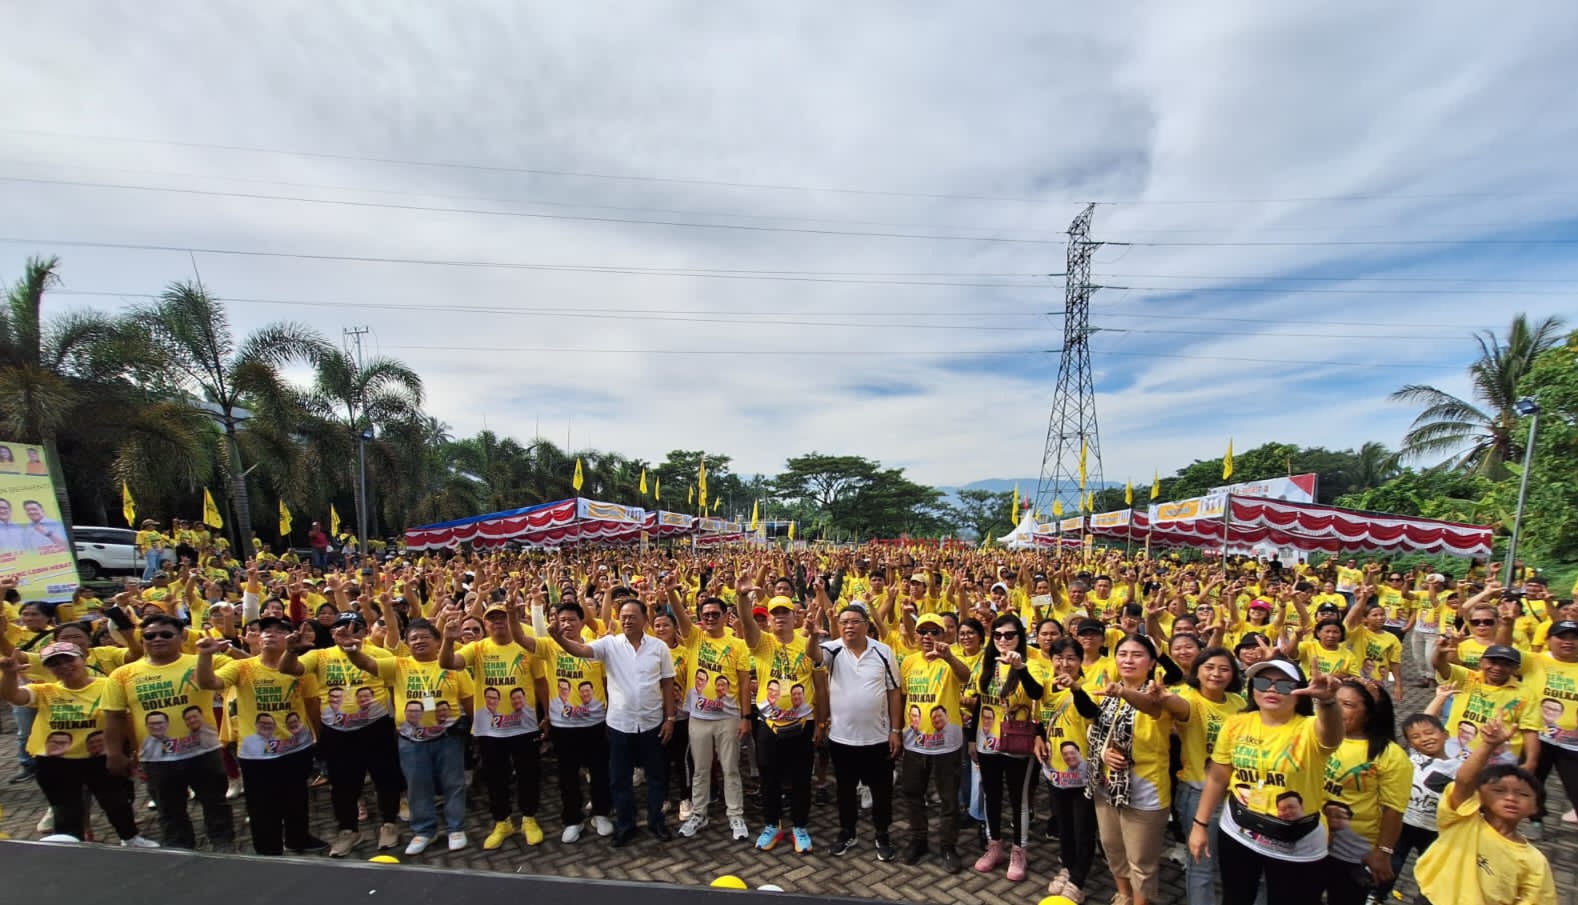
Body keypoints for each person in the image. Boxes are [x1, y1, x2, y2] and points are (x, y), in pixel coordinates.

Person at [1188, 658, 1343, 905]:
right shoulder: (1236, 723)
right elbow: (1218, 777)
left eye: (1283, 685)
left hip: (1295, 843)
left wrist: (1327, 702)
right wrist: (1200, 824)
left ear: (1299, 693)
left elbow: (1332, 736)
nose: (1271, 689)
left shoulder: (1310, 728)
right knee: (1235, 898)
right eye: (1263, 682)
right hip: (1239, 830)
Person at [340, 612, 474, 855]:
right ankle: (424, 831)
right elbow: (366, 664)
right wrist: (350, 650)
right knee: (417, 786)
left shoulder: (452, 666)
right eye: (413, 638)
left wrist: (475, 730)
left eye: (424, 637)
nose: (419, 641)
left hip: (449, 737)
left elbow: (469, 700)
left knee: (452, 784)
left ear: (437, 640)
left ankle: (456, 828)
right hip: (412, 740)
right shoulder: (398, 665)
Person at [548, 596, 676, 847]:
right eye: (623, 617)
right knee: (619, 779)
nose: (627, 621)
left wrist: (670, 718)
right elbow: (581, 651)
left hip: (651, 723)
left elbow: (668, 683)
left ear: (644, 619)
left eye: (632, 617)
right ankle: (625, 825)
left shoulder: (659, 647)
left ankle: (656, 822)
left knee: (656, 777)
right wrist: (558, 638)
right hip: (620, 725)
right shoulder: (610, 644)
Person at [0, 643, 156, 846]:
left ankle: (130, 838)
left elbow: (125, 720)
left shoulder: (109, 685)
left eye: (69, 659)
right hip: (55, 762)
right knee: (65, 809)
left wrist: (134, 751)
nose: (63, 666)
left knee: (116, 802)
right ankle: (72, 844)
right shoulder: (44, 691)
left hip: (100, 758)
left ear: (83, 659)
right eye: (54, 663)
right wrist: (9, 674)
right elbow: (12, 696)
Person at [103, 613, 235, 850]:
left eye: (165, 634)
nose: (157, 639)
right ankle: (180, 851)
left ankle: (224, 846)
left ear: (181, 637)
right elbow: (114, 716)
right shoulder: (122, 675)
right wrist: (113, 752)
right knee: (169, 811)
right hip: (156, 758)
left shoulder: (204, 661)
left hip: (204, 752)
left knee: (216, 804)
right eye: (149, 636)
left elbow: (247, 665)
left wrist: (220, 650)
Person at [196, 616, 321, 856]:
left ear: (291, 638)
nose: (270, 634)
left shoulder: (300, 669)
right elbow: (208, 682)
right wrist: (205, 656)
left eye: (279, 630)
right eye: (266, 630)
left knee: (297, 799)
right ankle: (268, 851)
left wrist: (319, 739)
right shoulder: (242, 667)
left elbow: (312, 705)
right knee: (261, 806)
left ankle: (298, 839)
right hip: (256, 754)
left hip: (297, 747)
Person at [1087, 634, 1190, 905]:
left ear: (1152, 662)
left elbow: (1152, 708)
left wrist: (1124, 693)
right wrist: (1103, 752)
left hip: (1145, 791)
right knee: (1112, 847)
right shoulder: (1108, 691)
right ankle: (1123, 894)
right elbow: (1093, 730)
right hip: (1107, 786)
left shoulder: (1158, 695)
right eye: (1123, 654)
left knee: (1141, 860)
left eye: (1137, 655)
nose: (1128, 660)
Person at [1413, 717, 1557, 904]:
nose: (1511, 798)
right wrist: (1488, 745)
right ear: (1479, 796)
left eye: (1522, 794)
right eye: (1499, 790)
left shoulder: (1534, 861)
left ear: (1535, 807)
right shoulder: (1463, 819)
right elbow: (1464, 780)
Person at [441, 595, 546, 851]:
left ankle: (529, 819)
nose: (498, 622)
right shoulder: (477, 648)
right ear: (485, 625)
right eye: (492, 619)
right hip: (490, 729)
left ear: (512, 621)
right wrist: (448, 640)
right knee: (496, 778)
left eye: (503, 618)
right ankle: (502, 822)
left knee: (528, 775)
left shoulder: (526, 647)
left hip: (524, 726)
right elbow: (448, 663)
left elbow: (541, 682)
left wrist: (549, 715)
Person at [735, 574, 827, 854]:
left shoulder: (806, 642)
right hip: (769, 725)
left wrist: (821, 723)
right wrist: (742, 597)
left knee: (800, 778)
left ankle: (800, 826)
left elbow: (820, 686)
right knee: (768, 777)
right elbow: (747, 623)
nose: (780, 617)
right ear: (770, 618)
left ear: (794, 616)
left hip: (802, 723)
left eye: (785, 612)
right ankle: (772, 824)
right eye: (775, 613)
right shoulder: (762, 643)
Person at [665, 587, 752, 842]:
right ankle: (699, 814)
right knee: (701, 770)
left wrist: (746, 718)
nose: (711, 618)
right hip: (699, 718)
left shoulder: (738, 644)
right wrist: (670, 592)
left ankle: (735, 815)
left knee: (730, 769)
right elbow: (679, 615)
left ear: (725, 616)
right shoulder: (695, 637)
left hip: (729, 718)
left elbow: (744, 683)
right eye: (706, 615)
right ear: (700, 618)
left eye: (716, 614)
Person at [821, 601, 902, 861]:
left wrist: (896, 730)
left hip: (877, 738)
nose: (849, 626)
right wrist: (811, 633)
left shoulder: (883, 652)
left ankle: (882, 833)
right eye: (844, 622)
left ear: (866, 625)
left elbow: (894, 691)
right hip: (841, 738)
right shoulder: (831, 650)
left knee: (882, 791)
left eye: (855, 621)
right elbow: (814, 657)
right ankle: (847, 832)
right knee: (845, 790)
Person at [1320, 679, 1409, 905]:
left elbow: (1393, 809)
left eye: (1348, 704)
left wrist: (1383, 851)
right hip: (1310, 842)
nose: (1337, 709)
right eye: (1335, 701)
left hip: (1353, 851)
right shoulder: (1316, 735)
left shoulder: (1391, 755)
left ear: (1369, 714)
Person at [533, 598, 614, 843]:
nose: (567, 624)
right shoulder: (549, 646)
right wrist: (518, 613)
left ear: (582, 622)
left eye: (571, 619)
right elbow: (521, 639)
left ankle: (601, 813)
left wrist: (609, 715)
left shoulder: (595, 648)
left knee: (599, 772)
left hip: (595, 723)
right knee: (567, 775)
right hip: (563, 726)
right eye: (562, 620)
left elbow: (606, 684)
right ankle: (572, 819)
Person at [970, 614, 1043, 882]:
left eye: (1009, 635)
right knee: (991, 795)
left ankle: (1019, 851)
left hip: (1018, 743)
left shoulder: (1033, 662)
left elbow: (1037, 694)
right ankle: (994, 846)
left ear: (1020, 637)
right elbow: (979, 702)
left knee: (1017, 800)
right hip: (987, 740)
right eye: (998, 635)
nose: (1003, 640)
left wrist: (1020, 668)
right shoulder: (985, 662)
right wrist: (971, 738)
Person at [1172, 646, 1247, 905]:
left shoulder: (1239, 703)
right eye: (1209, 667)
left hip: (1237, 796)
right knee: (1201, 867)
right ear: (1197, 671)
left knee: (1240, 866)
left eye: (1224, 669)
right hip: (1198, 792)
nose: (1216, 673)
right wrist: (1159, 697)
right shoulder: (1189, 698)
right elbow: (1175, 705)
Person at [898, 611, 970, 872]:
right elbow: (903, 697)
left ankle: (948, 846)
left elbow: (966, 676)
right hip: (914, 742)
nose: (927, 636)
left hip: (947, 744)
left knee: (949, 798)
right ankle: (919, 839)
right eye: (922, 631)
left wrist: (948, 656)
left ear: (944, 635)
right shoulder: (908, 662)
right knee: (913, 793)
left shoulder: (952, 659)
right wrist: (897, 730)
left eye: (934, 631)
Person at [1031, 637, 1100, 903]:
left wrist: (1075, 689)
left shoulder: (1090, 686)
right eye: (1059, 658)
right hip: (1055, 772)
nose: (1064, 663)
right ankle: (1069, 867)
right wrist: (1038, 737)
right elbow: (1040, 719)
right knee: (1064, 825)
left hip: (1083, 774)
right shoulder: (1047, 686)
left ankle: (1078, 880)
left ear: (1080, 661)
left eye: (1071, 658)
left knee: (1083, 828)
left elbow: (1090, 711)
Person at [1432, 638, 1541, 770]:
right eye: (1493, 662)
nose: (1498, 668)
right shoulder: (1466, 678)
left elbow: (1530, 731)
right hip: (1454, 754)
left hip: (1497, 762)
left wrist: (1531, 762)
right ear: (1481, 662)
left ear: (1516, 669)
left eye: (1506, 664)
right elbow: (1440, 666)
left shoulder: (1526, 694)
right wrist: (1440, 654)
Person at [1518, 619, 1578, 840]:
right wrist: (1505, 623)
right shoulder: (1534, 661)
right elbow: (1501, 646)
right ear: (1548, 640)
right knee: (1532, 783)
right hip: (1536, 738)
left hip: (1573, 744)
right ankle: (1535, 819)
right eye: (1562, 637)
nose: (1568, 642)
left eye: (1574, 638)